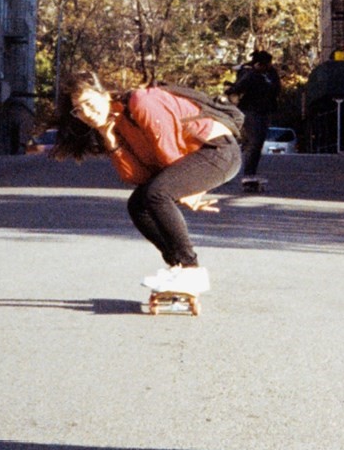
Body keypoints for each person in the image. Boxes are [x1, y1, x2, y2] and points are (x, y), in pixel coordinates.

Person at [52, 70, 241, 295]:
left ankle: (191, 270)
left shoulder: (142, 103)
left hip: (218, 151)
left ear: (104, 94)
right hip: (195, 159)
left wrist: (187, 189)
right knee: (138, 204)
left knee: (157, 194)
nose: (87, 113)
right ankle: (178, 266)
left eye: (89, 103)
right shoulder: (116, 124)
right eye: (79, 110)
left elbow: (170, 155)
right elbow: (137, 177)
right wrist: (109, 139)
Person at [225, 49, 280, 179]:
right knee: (253, 142)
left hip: (265, 111)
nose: (267, 67)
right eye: (265, 65)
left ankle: (250, 170)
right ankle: (247, 171)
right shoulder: (250, 75)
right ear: (258, 65)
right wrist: (230, 90)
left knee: (258, 142)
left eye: (269, 65)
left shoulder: (271, 74)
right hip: (250, 111)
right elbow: (237, 87)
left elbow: (277, 89)